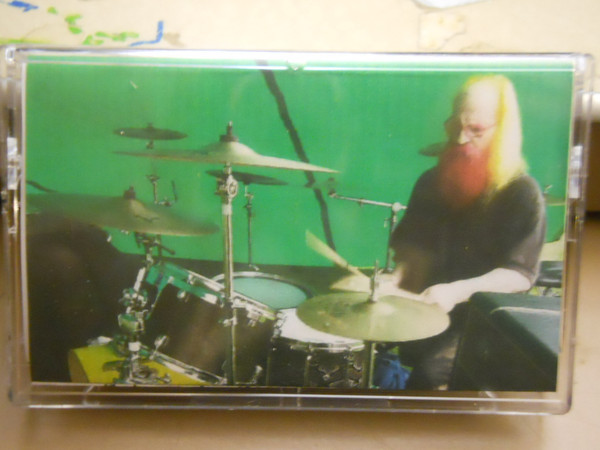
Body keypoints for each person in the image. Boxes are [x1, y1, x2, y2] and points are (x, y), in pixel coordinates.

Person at [388, 75, 546, 389]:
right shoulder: (430, 181)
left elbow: (519, 275)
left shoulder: (522, 192)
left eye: (476, 130)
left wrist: (456, 291)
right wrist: (394, 280)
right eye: (455, 126)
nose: (460, 138)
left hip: (485, 324)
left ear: (502, 132)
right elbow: (414, 251)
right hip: (427, 310)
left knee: (427, 378)